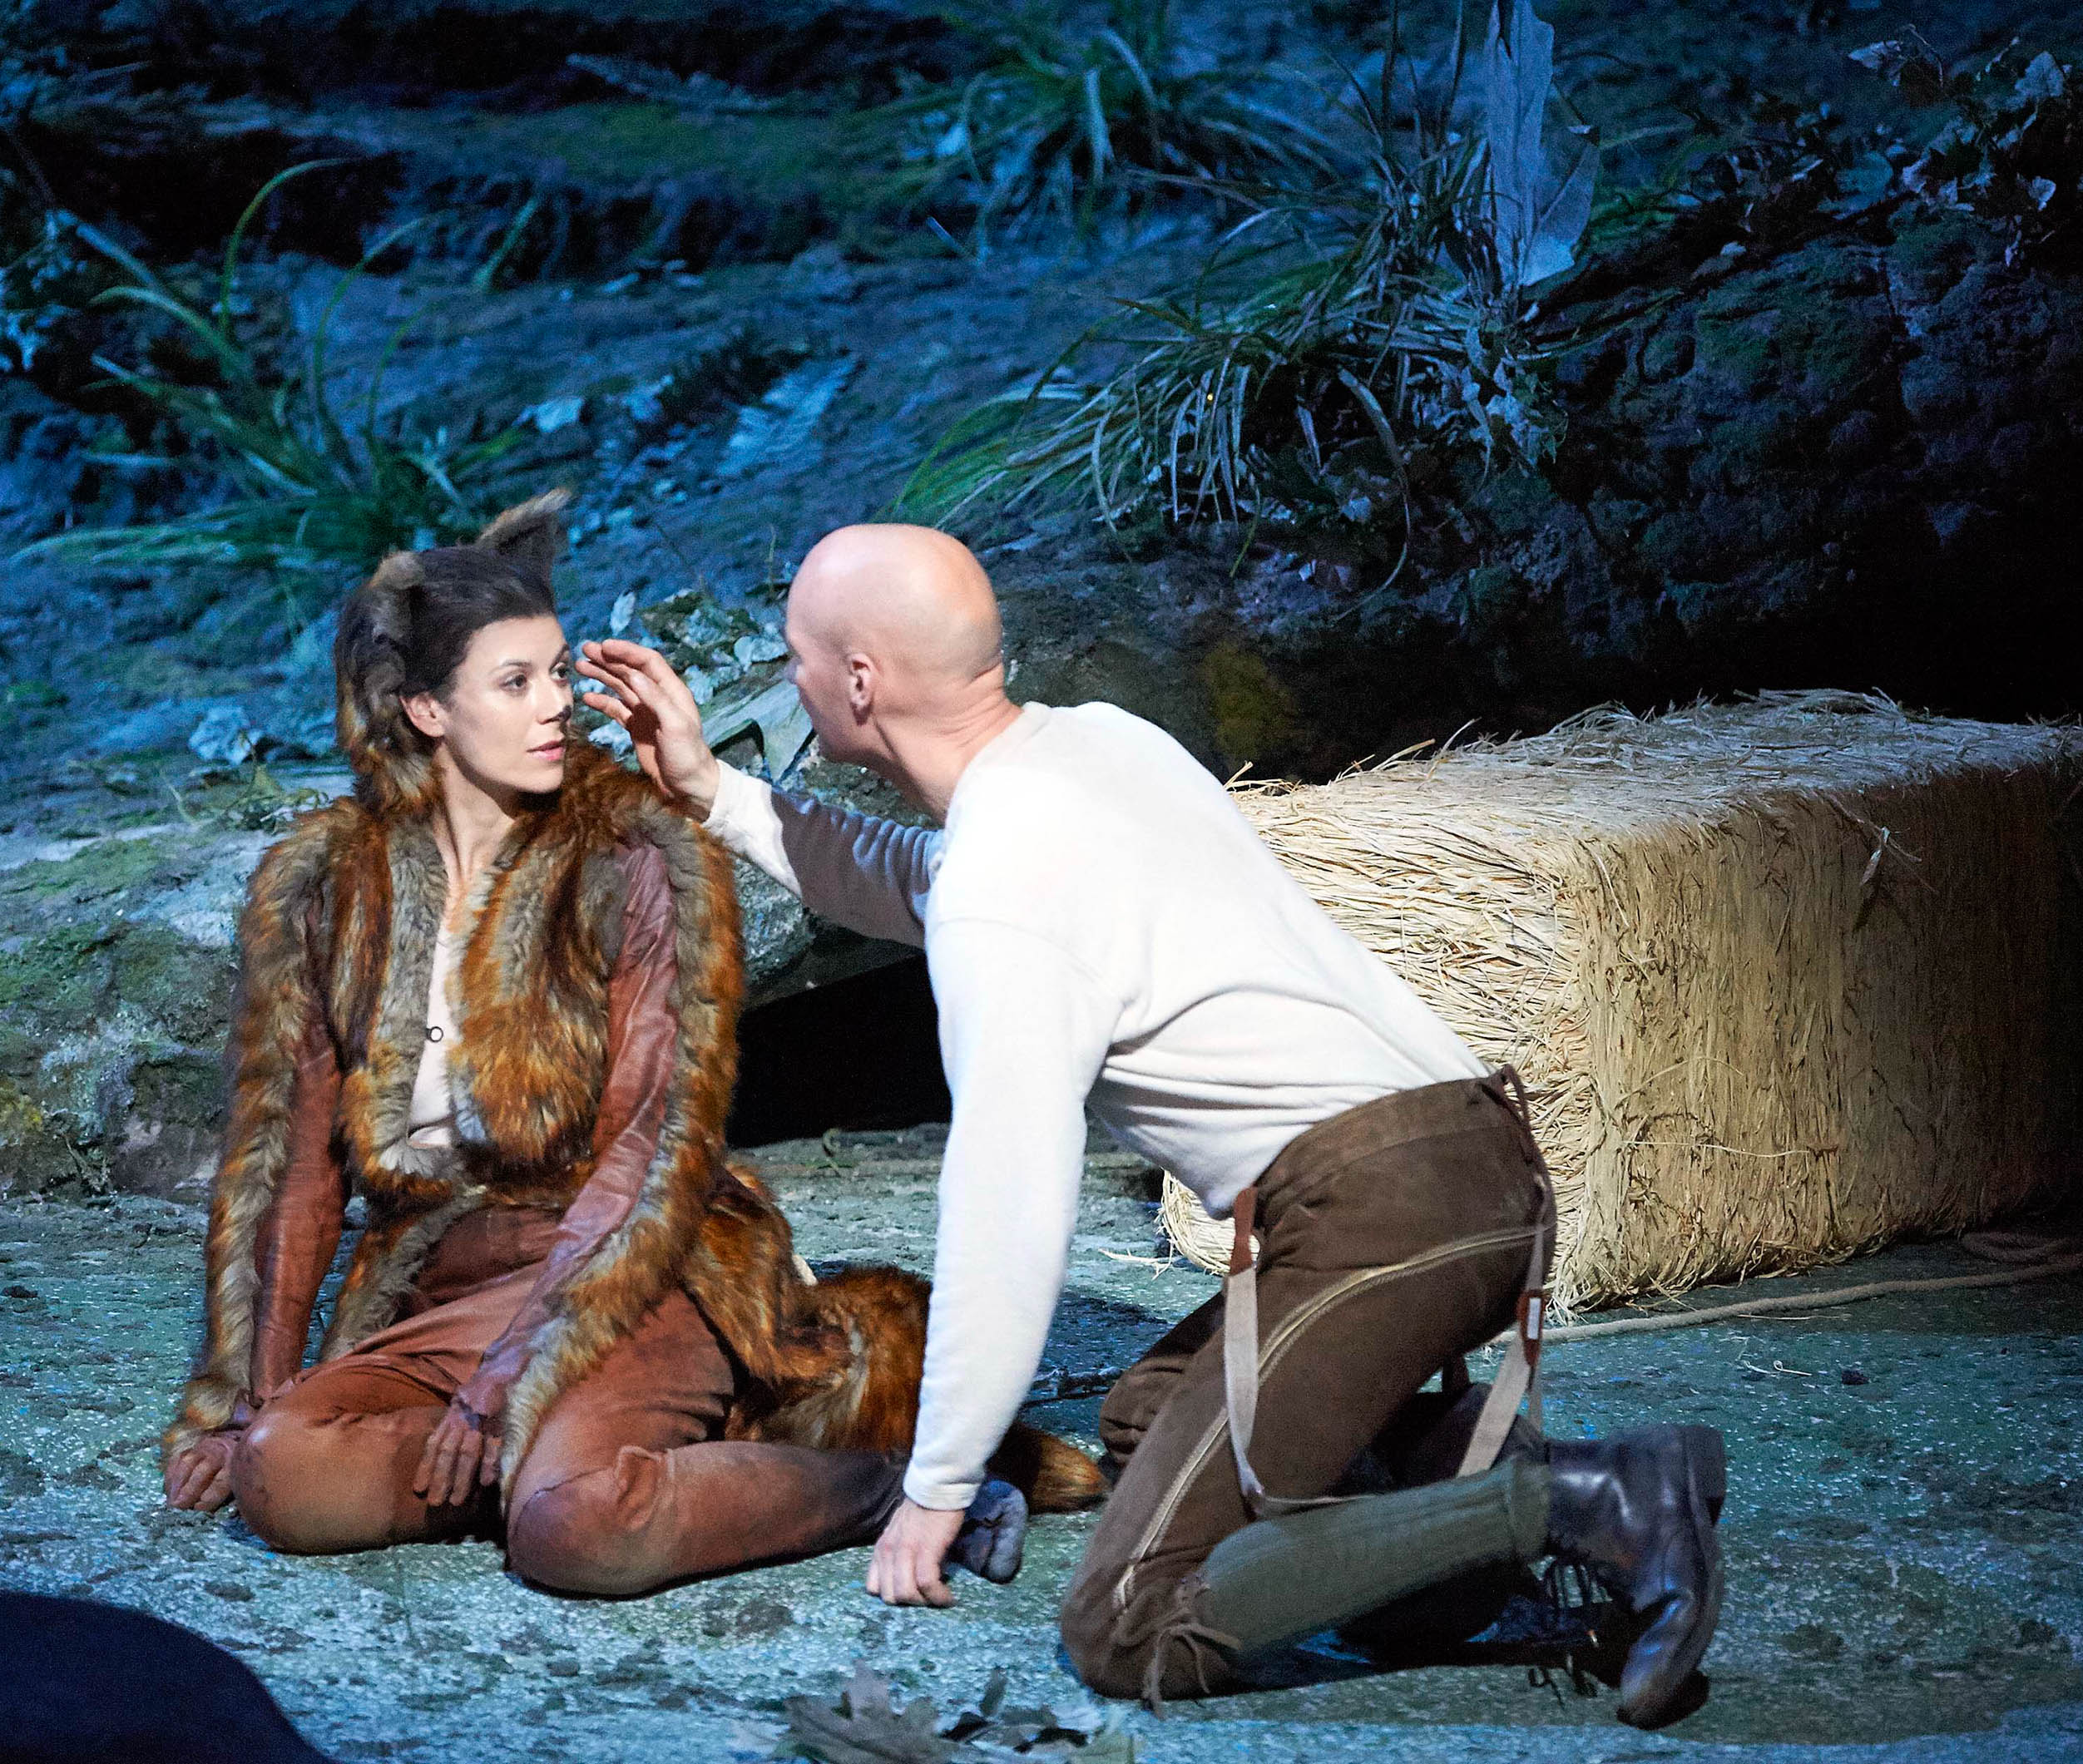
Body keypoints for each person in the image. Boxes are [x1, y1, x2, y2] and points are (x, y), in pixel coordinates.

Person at [576, 522, 1725, 1725]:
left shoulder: (1003, 887)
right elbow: (917, 879)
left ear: (858, 681)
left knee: (1127, 1620)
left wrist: (938, 1480)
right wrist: (713, 789)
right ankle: (1516, 1504)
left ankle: (1592, 1499)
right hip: (1466, 1161)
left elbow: (1009, 1207)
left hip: (1387, 1213)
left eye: (797, 654)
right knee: (1143, 1418)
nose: (792, 677)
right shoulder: (1093, 749)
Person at [158, 492, 1099, 1597]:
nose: (561, 704)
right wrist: (238, 1400)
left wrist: (507, 1379)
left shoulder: (635, 857)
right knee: (286, 1475)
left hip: (639, 1263)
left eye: (558, 671)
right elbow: (291, 1162)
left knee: (576, 1532)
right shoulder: (326, 885)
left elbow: (649, 1153)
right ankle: (595, 1463)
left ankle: (885, 1483)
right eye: (517, 683)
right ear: (422, 710)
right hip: (453, 1284)